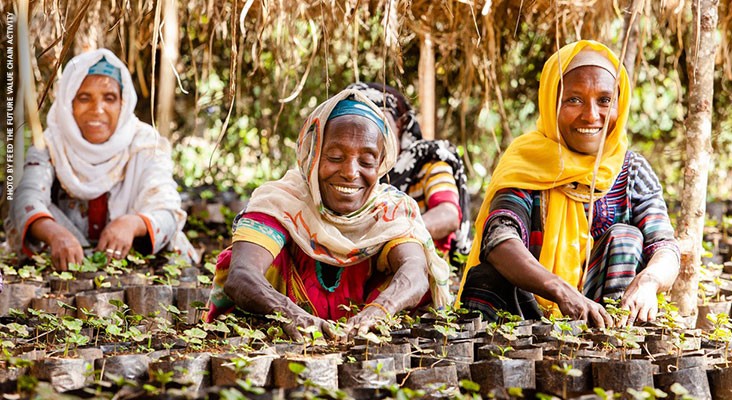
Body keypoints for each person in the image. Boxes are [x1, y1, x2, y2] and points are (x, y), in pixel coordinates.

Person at [457, 40, 680, 328]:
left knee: (626, 238)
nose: (591, 115)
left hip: (600, 317)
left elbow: (665, 247)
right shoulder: (529, 161)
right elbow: (499, 239)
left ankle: (611, 344)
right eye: (574, 99)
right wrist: (562, 292)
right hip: (526, 314)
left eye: (605, 100)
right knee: (489, 275)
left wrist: (649, 281)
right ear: (552, 102)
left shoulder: (631, 170)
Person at [203, 88, 451, 340]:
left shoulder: (390, 210)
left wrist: (378, 311)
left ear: (381, 164)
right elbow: (242, 274)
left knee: (407, 283)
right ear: (312, 155)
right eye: (334, 157)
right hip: (281, 331)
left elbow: (415, 271)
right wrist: (289, 313)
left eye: (366, 162)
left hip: (365, 326)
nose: (350, 172)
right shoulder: (280, 201)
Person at [7, 49, 197, 270]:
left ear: (123, 103)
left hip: (138, 263)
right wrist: (54, 232)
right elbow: (25, 197)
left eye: (109, 98)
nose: (97, 110)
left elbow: (167, 209)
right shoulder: (49, 144)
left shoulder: (146, 144)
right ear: (69, 103)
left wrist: (132, 224)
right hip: (63, 263)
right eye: (84, 98)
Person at [347, 82, 471, 260]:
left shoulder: (428, 161)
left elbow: (448, 214)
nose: (369, 135)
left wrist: (391, 236)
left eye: (380, 124)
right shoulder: (349, 172)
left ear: (400, 124)